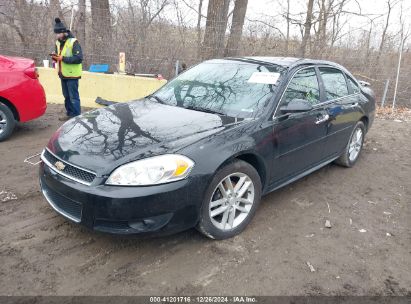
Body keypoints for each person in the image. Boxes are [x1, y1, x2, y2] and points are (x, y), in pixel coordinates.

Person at [51, 17, 83, 121]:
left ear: (63, 32)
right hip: (62, 74)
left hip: (72, 75)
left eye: (58, 33)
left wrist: (63, 58)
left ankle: (76, 117)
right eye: (56, 34)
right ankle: (69, 114)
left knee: (73, 97)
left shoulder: (74, 42)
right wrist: (55, 59)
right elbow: (58, 55)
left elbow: (78, 58)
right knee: (67, 96)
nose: (57, 36)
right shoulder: (57, 42)